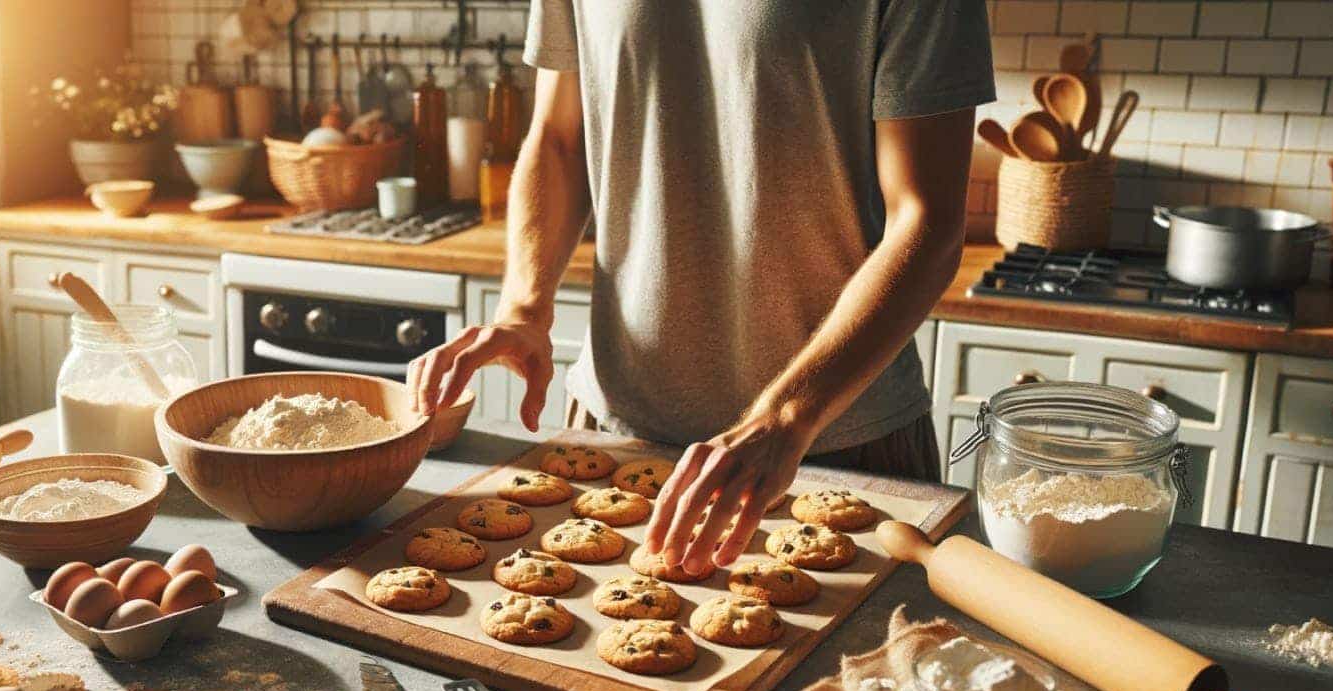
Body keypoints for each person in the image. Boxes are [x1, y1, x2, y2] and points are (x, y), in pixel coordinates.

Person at [408, 2, 994, 576]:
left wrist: (787, 417)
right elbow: (559, 137)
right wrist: (524, 306)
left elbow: (927, 221)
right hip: (616, 430)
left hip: (838, 438)